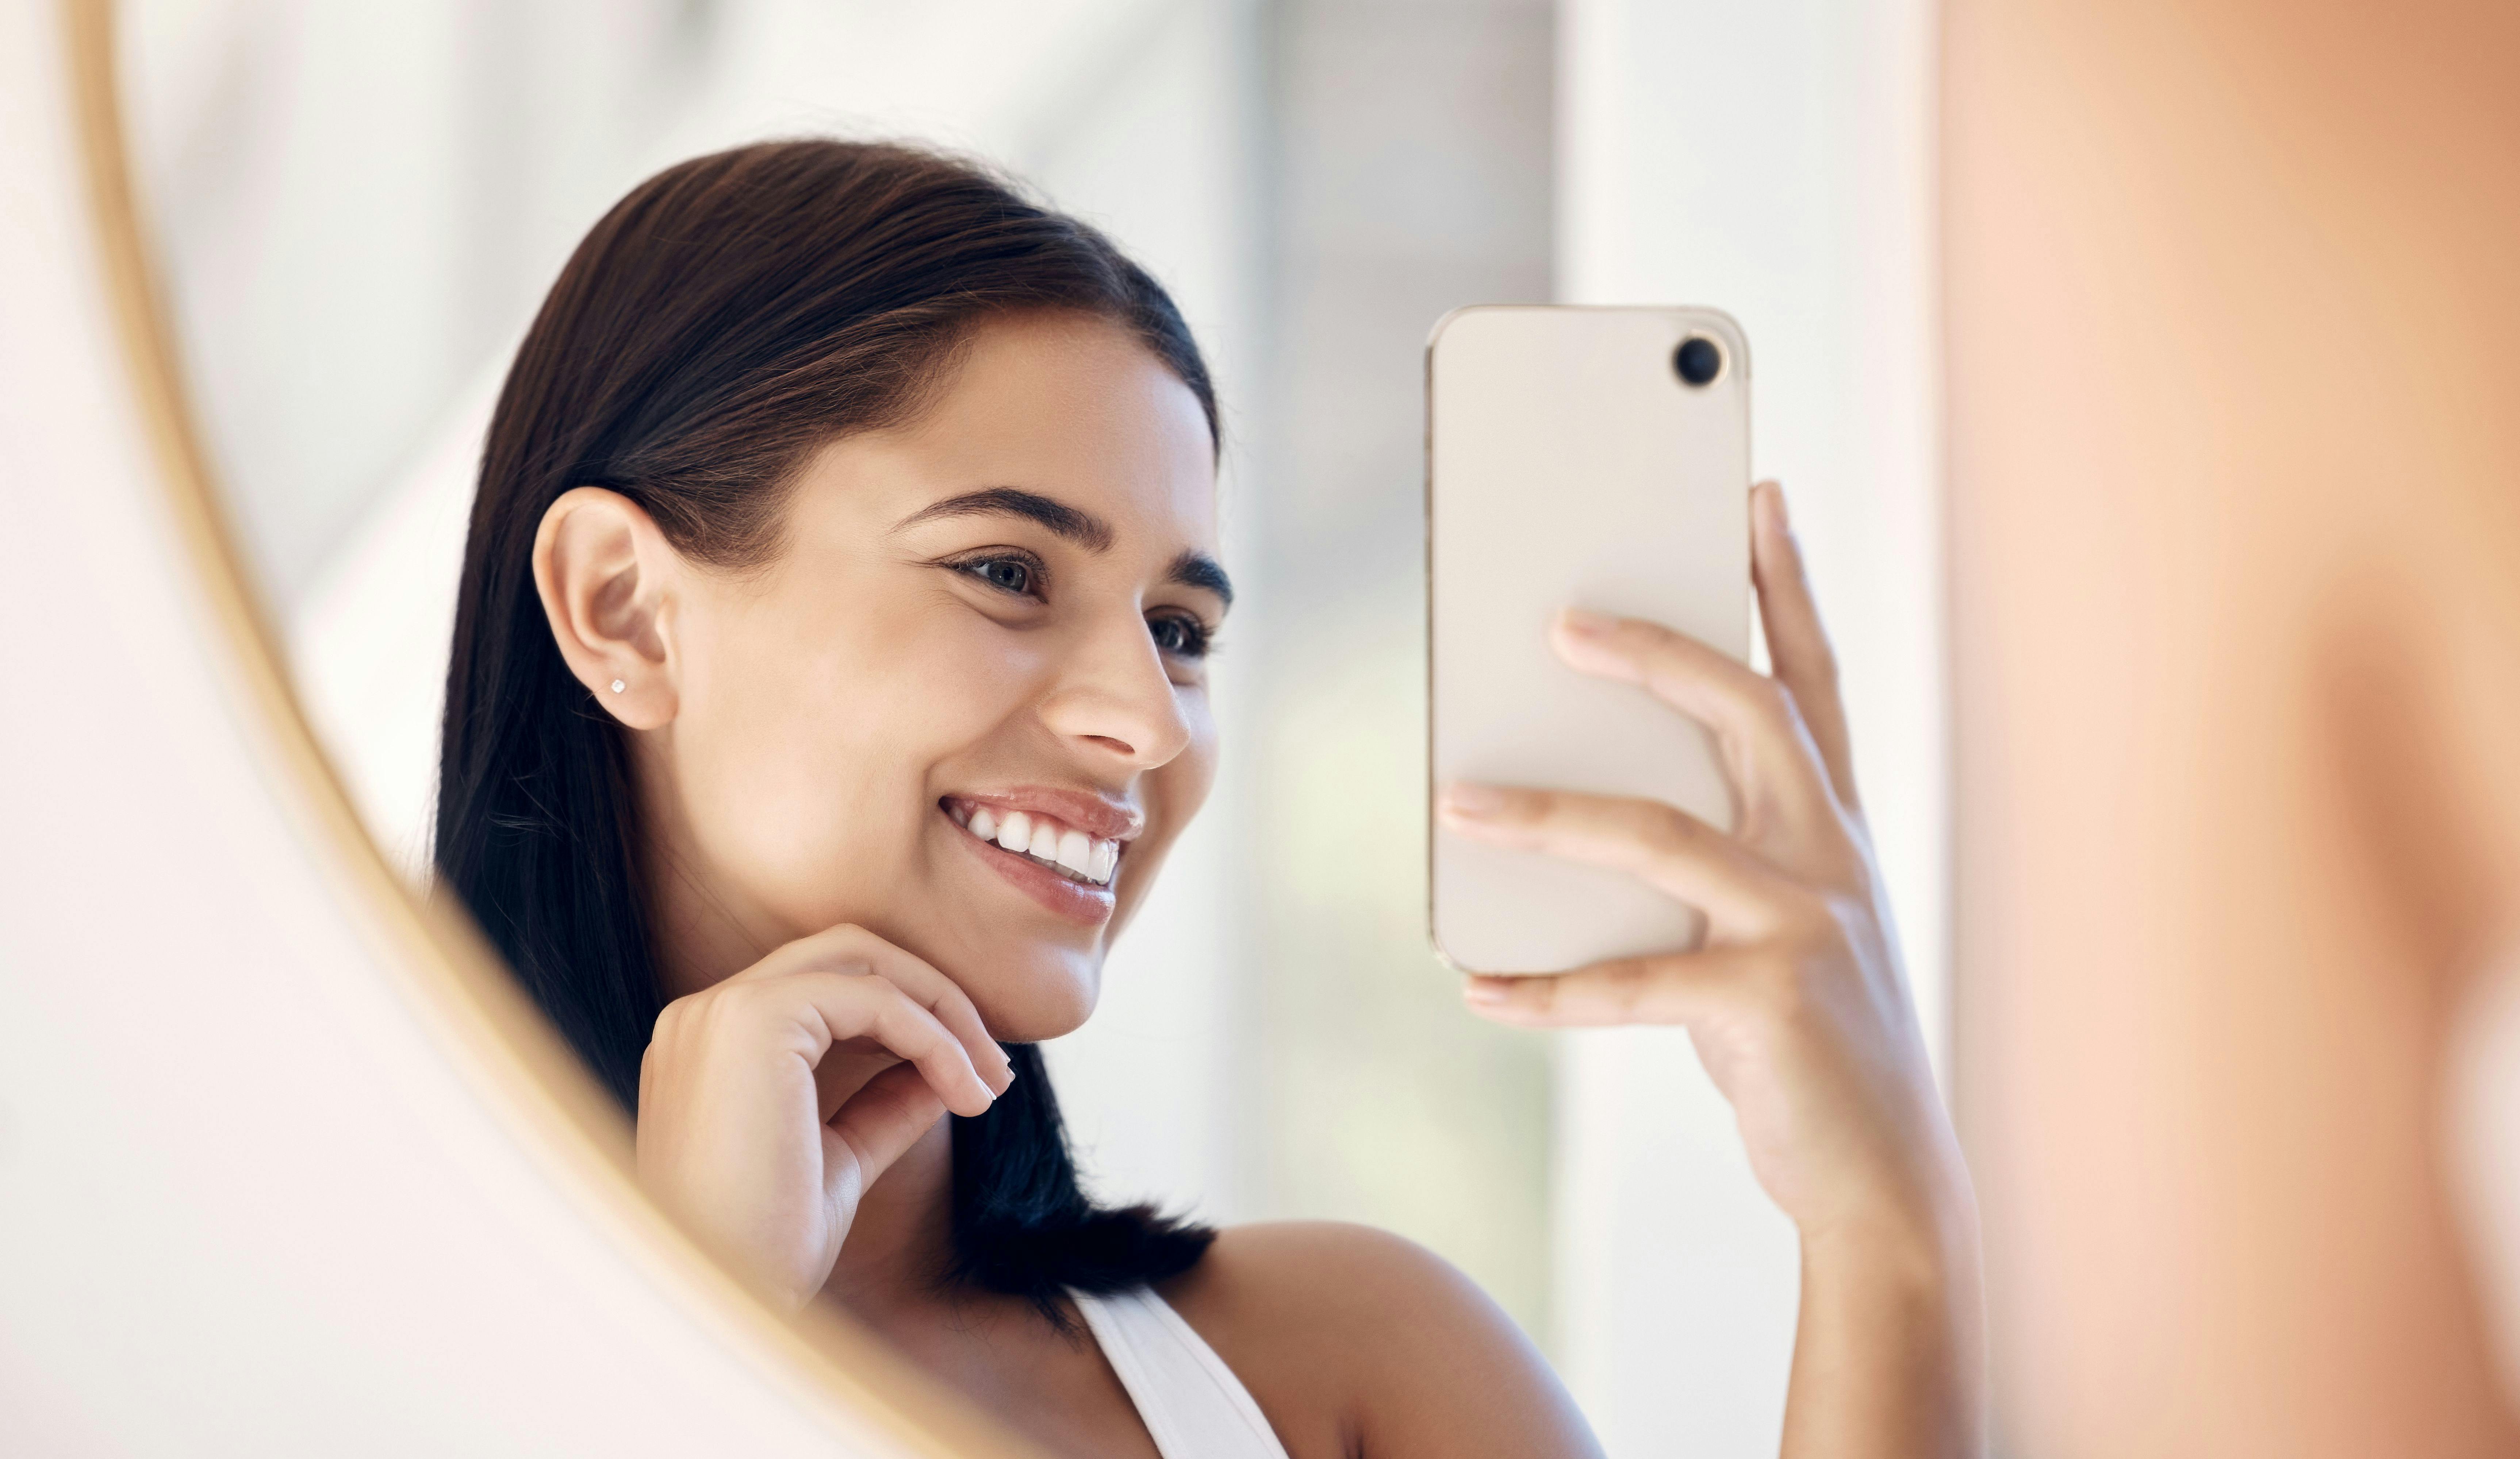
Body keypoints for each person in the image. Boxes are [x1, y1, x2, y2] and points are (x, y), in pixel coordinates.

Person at [435, 138, 1983, 1458]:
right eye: (1005, 571)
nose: (1144, 723)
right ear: (624, 609)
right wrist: (683, 1307)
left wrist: (1887, 1237)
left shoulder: (1352, 1370)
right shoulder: (314, 1339)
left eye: (1179, 630)